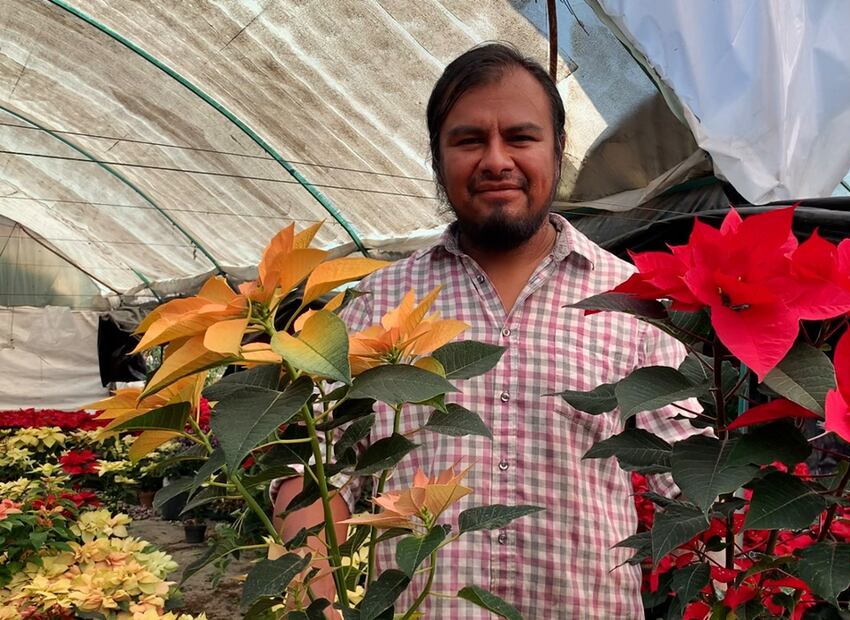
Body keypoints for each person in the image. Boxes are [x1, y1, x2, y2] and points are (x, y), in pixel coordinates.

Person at [275, 42, 696, 618]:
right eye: (469, 140)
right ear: (437, 156)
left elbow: (692, 478)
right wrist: (317, 604)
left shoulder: (633, 302)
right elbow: (318, 475)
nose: (496, 160)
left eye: (521, 138)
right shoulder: (378, 302)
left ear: (558, 148)